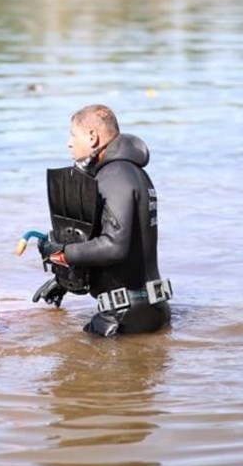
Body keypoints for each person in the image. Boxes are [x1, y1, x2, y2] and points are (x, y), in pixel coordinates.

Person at [32, 104, 171, 337]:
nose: (69, 142)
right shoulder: (133, 173)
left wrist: (60, 252)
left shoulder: (114, 176)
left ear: (93, 137)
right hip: (149, 309)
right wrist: (66, 280)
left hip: (124, 317)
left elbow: (114, 247)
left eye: (73, 135)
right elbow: (126, 249)